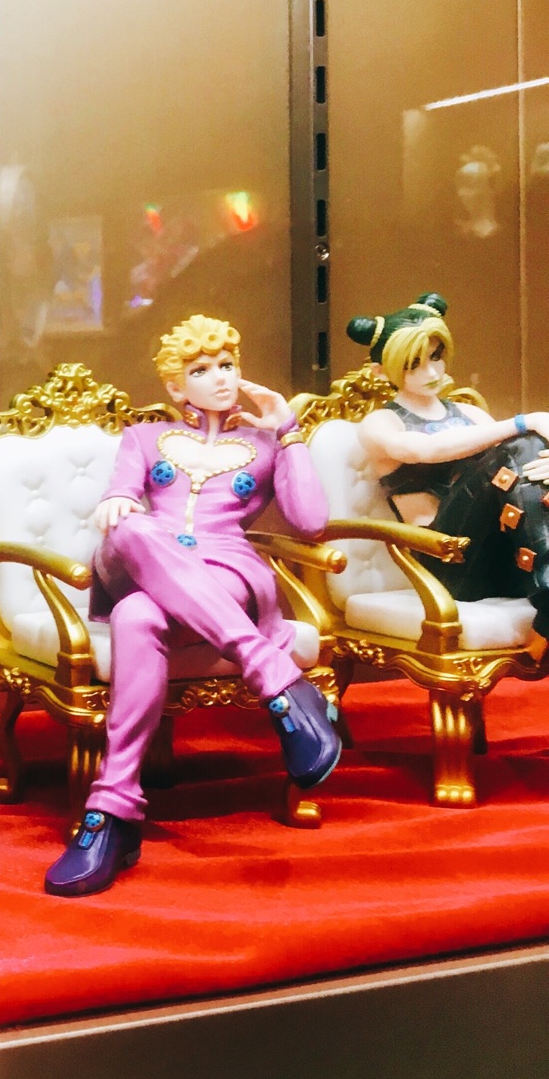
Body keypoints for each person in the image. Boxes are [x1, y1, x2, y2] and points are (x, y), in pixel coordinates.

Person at [44, 315, 340, 898]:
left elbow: (311, 523)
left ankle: (112, 814)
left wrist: (289, 429)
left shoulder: (263, 444)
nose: (221, 377)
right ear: (176, 386)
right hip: (140, 558)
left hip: (226, 573)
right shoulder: (143, 437)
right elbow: (121, 496)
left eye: (227, 364)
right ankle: (276, 677)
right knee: (133, 528)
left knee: (136, 617)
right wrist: (118, 499)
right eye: (202, 369)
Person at [346, 293, 549, 658]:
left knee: (524, 449)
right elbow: (423, 450)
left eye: (436, 357)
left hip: (499, 555)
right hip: (448, 563)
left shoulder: (471, 414)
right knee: (516, 445)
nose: (432, 373)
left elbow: (516, 469)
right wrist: (524, 422)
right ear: (381, 371)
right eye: (414, 364)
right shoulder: (380, 423)